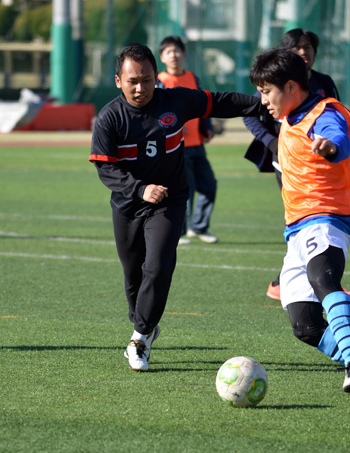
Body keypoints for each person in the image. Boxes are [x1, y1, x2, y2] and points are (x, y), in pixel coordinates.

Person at [248, 47, 350, 404]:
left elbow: (341, 138)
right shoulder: (293, 115)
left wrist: (330, 147)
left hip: (323, 218)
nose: (262, 100)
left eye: (267, 91)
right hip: (296, 229)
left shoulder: (322, 115)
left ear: (291, 86)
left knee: (324, 281)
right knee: (305, 324)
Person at [89, 43, 262, 372]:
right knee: (133, 276)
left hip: (170, 201)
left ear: (157, 77)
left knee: (158, 266)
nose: (140, 88)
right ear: (117, 81)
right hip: (127, 205)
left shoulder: (176, 99)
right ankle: (144, 324)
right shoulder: (110, 117)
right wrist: (140, 189)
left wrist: (263, 105)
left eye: (146, 79)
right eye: (132, 81)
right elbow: (106, 169)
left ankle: (139, 338)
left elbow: (219, 102)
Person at [243, 29, 350, 301]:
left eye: (308, 47)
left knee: (323, 220)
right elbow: (251, 117)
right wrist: (273, 144)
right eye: (297, 47)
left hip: (323, 164)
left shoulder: (323, 82)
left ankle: (320, 279)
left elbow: (336, 116)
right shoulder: (276, 83)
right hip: (290, 163)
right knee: (306, 217)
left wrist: (337, 143)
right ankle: (307, 282)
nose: (304, 52)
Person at [158, 35, 218, 245]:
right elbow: (156, 113)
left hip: (197, 145)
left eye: (177, 51)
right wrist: (173, 125)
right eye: (168, 52)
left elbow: (202, 105)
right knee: (185, 191)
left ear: (183, 54)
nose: (174, 55)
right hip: (176, 148)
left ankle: (198, 228)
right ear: (162, 57)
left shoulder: (193, 78)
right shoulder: (160, 81)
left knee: (209, 185)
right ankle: (179, 232)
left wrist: (207, 127)